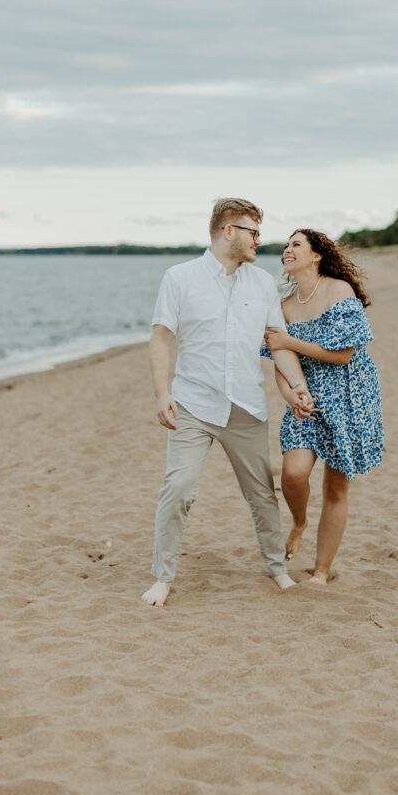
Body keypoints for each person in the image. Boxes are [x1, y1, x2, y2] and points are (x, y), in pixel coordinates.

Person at [141, 199, 315, 607]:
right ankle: (162, 578)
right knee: (179, 488)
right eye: (253, 231)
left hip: (246, 407)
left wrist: (297, 384)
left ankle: (276, 568)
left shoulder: (263, 283)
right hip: (193, 404)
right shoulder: (179, 278)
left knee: (261, 495)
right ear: (228, 231)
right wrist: (162, 393)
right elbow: (161, 337)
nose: (260, 239)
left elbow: (277, 343)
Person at [262, 229, 383, 585]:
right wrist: (289, 395)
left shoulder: (338, 291)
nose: (287, 249)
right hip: (307, 398)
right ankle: (299, 522)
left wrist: (290, 339)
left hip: (351, 395)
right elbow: (280, 362)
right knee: (293, 475)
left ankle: (321, 571)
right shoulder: (282, 307)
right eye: (285, 245)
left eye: (296, 244)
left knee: (335, 487)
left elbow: (344, 355)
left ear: (316, 255)